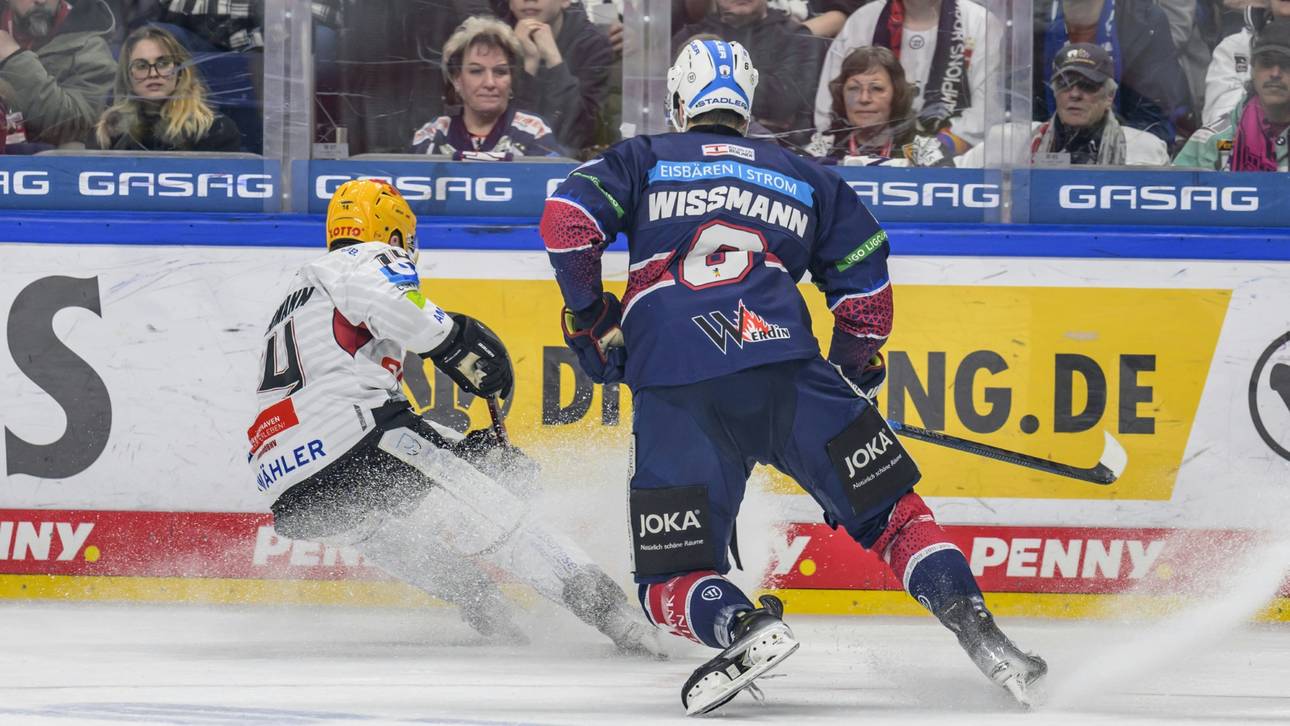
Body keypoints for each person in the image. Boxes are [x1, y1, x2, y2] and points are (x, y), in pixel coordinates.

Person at [539, 38, 1046, 716]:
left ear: (679, 99)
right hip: (789, 374)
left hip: (677, 390)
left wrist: (590, 318)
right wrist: (850, 377)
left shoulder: (645, 158)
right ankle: (984, 635)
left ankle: (744, 627)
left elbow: (569, 223)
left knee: (669, 581)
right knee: (897, 519)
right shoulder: (809, 177)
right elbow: (867, 301)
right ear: (747, 102)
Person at [248, 178, 662, 655]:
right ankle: (624, 622)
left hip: (281, 476)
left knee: (378, 529)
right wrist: (457, 347)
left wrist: (472, 450)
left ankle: (484, 605)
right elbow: (408, 314)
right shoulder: (370, 258)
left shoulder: (297, 295)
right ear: (394, 232)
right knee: (506, 522)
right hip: (353, 439)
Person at [815, 0, 1002, 145]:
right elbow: (829, 106)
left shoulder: (980, 22)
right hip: (866, 154)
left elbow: (986, 113)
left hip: (953, 160)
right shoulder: (863, 21)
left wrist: (938, 150)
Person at [957, 43, 1169, 166]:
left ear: (1109, 97)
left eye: (1087, 85)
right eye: (1065, 85)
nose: (1075, 94)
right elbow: (952, 178)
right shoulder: (1007, 141)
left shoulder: (1145, 151)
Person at [1034, 0, 1193, 150]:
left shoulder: (1144, 19)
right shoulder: (1031, 16)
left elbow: (1155, 122)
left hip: (1122, 159)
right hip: (1043, 155)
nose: (1075, 93)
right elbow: (1018, 110)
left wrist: (1105, 150)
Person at [412, 17, 564, 158]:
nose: (490, 83)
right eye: (476, 71)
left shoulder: (533, 131)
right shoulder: (433, 134)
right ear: (456, 79)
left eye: (500, 72)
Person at [673, 0, 824, 142]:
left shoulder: (796, 37)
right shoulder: (689, 36)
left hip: (777, 152)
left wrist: (709, 83)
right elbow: (672, 99)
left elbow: (782, 103)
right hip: (695, 144)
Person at [806, 46, 969, 165]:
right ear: (841, 94)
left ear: (896, 94)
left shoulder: (922, 148)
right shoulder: (824, 146)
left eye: (876, 89)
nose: (864, 98)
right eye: (853, 88)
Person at [92, 25, 241, 151]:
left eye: (163, 63)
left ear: (180, 70)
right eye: (141, 66)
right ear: (127, 75)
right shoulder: (109, 131)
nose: (153, 74)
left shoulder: (216, 131)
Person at [1175, 17, 1290, 170]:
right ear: (1253, 69)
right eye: (1266, 63)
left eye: (1286, 64)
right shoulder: (1210, 139)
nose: (1275, 73)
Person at [0, 0, 115, 148]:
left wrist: (15, 60)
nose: (41, 1)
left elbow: (80, 127)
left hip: (52, 165)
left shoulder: (89, 44)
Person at [505, 0, 613, 154]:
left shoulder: (592, 45)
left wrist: (554, 61)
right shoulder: (493, 40)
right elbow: (498, 131)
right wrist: (529, 66)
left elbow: (580, 133)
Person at [1205, 0, 1290, 126]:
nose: (1275, 73)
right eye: (1266, 62)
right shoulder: (1235, 47)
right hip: (1243, 142)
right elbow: (1218, 124)